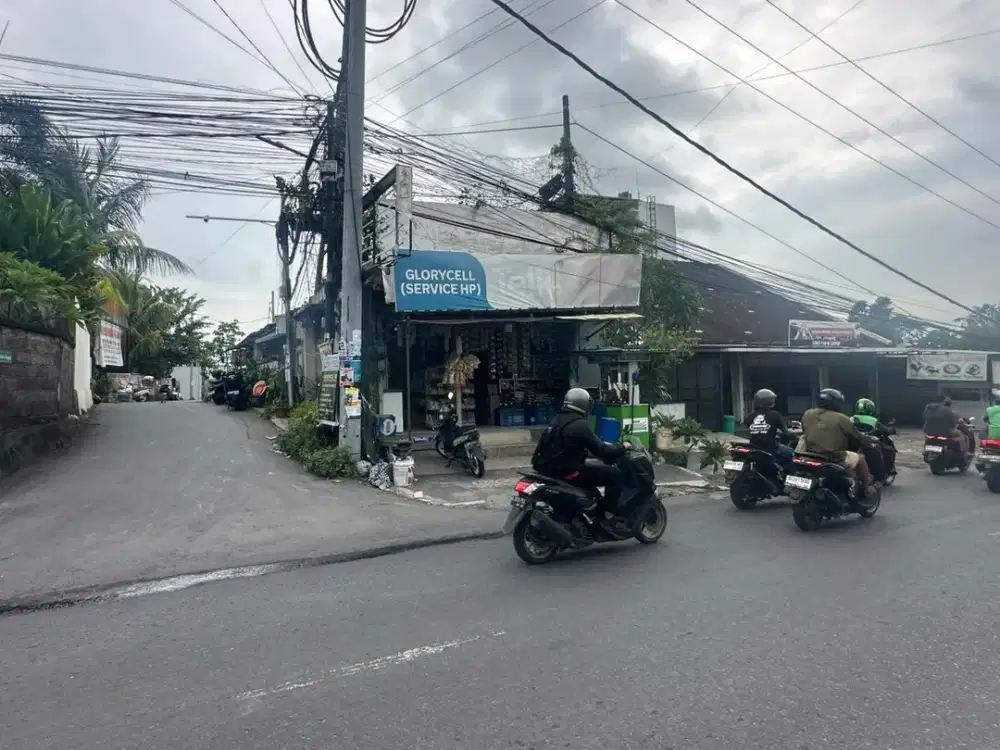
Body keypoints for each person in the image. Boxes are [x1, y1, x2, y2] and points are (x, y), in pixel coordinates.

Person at [532, 387, 628, 522]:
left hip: (551, 472)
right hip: (569, 473)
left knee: (592, 479)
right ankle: (609, 514)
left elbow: (566, 445)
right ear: (583, 405)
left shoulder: (556, 420)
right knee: (614, 474)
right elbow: (601, 450)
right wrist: (622, 447)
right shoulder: (581, 425)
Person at [799, 388, 877, 498]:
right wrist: (869, 443)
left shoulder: (808, 414)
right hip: (831, 457)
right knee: (861, 458)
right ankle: (865, 491)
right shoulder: (842, 418)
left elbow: (805, 430)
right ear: (835, 403)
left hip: (807, 454)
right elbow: (857, 438)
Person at [744, 388, 795, 462]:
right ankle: (787, 473)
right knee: (790, 452)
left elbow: (750, 430)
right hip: (771, 448)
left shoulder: (750, 416)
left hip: (754, 447)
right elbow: (786, 433)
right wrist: (796, 436)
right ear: (770, 401)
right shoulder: (775, 415)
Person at [852, 398, 895, 479]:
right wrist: (891, 430)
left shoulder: (851, 418)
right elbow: (885, 430)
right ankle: (881, 476)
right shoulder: (873, 420)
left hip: (854, 443)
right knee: (888, 451)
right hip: (868, 442)